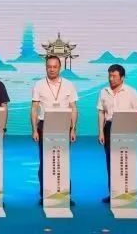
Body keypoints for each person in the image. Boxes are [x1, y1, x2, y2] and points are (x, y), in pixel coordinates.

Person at [30, 54, 78, 206]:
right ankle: (45, 194)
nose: (52, 69)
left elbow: (73, 108)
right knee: (45, 161)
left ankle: (65, 194)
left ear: (60, 67)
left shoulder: (69, 84)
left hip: (64, 125)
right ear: (46, 67)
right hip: (45, 125)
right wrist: (34, 129)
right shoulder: (39, 84)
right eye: (49, 67)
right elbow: (34, 108)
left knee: (62, 161)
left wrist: (73, 129)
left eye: (55, 67)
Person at [96, 64, 137, 203]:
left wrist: (136, 132)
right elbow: (101, 112)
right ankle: (113, 193)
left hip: (127, 128)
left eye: (114, 76)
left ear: (122, 77)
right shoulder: (103, 92)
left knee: (126, 161)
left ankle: (127, 193)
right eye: (109, 76)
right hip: (109, 127)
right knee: (111, 161)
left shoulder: (131, 92)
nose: (111, 79)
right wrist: (101, 132)